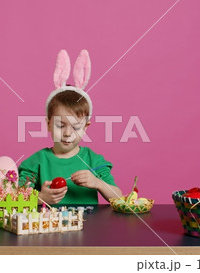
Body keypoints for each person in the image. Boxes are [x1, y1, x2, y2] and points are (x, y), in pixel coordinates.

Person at [18, 50, 122, 205]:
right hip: (47, 227)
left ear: (86, 127)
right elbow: (17, 197)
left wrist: (98, 183)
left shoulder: (93, 161)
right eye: (60, 125)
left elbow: (120, 198)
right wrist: (40, 198)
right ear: (48, 124)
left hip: (89, 228)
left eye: (75, 127)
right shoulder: (37, 162)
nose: (67, 133)